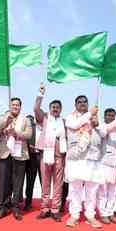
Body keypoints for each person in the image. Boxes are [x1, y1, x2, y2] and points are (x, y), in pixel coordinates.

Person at [65, 95, 104, 228]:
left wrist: (97, 124)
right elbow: (76, 125)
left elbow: (103, 133)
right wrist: (90, 114)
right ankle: (74, 215)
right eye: (79, 102)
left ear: (88, 104)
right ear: (75, 105)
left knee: (91, 189)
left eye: (85, 102)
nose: (82, 104)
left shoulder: (93, 117)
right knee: (75, 188)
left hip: (92, 157)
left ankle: (90, 215)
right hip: (76, 157)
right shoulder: (71, 117)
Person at [0, 97, 32, 220]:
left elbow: (29, 134)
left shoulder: (25, 119)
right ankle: (2, 207)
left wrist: (16, 133)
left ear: (20, 107)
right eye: (13, 105)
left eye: (17, 105)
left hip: (20, 153)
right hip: (5, 152)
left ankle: (15, 206)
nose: (15, 107)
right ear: (10, 106)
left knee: (18, 182)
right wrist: (6, 121)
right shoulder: (3, 116)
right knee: (3, 181)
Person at [34, 84, 67, 222]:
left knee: (58, 184)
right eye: (53, 107)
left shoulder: (64, 122)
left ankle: (55, 209)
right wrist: (40, 94)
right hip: (45, 155)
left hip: (59, 156)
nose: (55, 109)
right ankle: (44, 208)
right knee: (45, 183)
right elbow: (36, 108)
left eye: (57, 107)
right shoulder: (45, 118)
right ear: (49, 108)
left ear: (60, 110)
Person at [23, 115, 42, 211]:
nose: (30, 121)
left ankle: (45, 205)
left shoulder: (42, 127)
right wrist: (28, 146)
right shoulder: (26, 129)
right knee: (30, 182)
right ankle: (28, 202)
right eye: (28, 120)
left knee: (44, 182)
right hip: (31, 158)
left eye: (31, 120)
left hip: (42, 156)